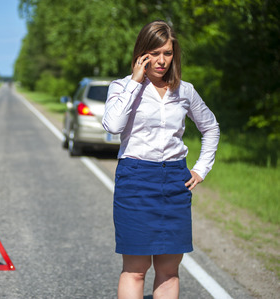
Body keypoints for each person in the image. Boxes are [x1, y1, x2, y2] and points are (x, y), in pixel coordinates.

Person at [102, 20, 220, 299]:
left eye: (167, 53)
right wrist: (135, 81)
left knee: (168, 270)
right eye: (154, 53)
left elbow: (211, 127)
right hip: (136, 179)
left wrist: (202, 168)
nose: (161, 60)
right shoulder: (121, 86)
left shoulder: (185, 91)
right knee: (136, 269)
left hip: (175, 181)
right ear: (141, 54)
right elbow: (112, 125)